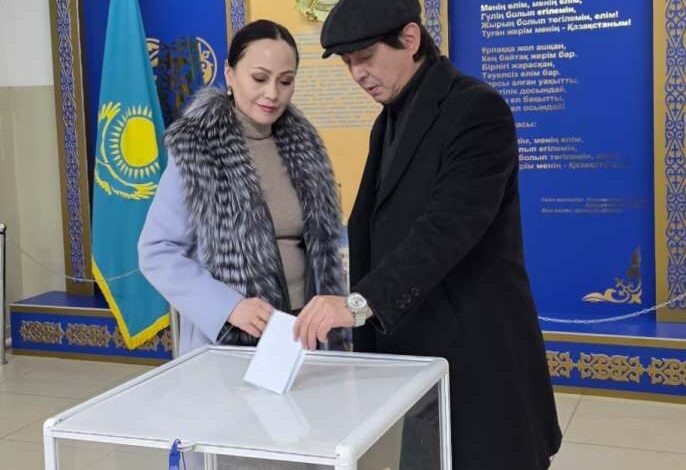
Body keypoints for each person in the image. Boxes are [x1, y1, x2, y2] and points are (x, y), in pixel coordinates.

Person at [293, 0, 563, 468]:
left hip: (474, 351)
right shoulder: (388, 119)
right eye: (348, 63)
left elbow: (447, 227)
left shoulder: (477, 109)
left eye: (365, 57)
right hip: (414, 355)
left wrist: (359, 303)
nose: (357, 74)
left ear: (411, 39)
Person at [139, 19, 345, 357]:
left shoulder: (305, 145)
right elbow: (156, 250)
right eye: (259, 78)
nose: (272, 94)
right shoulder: (198, 147)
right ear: (230, 74)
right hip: (233, 337)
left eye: (285, 81)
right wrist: (228, 306)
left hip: (306, 335)